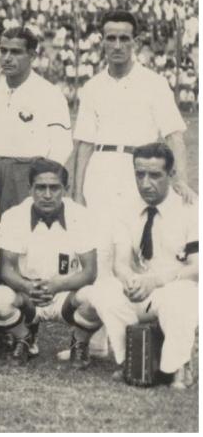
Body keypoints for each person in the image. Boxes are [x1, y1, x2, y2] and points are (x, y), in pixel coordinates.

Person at [85, 143, 198, 389]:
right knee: (104, 291)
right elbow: (121, 264)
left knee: (180, 296)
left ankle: (177, 367)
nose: (146, 183)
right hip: (142, 289)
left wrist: (156, 281)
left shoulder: (192, 207)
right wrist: (129, 280)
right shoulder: (124, 207)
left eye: (155, 175)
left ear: (171, 174)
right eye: (140, 174)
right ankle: (133, 359)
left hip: (177, 286)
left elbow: (197, 269)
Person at [72, 10, 193, 219]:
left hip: (139, 172)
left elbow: (174, 137)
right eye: (111, 38)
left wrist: (180, 180)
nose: (117, 45)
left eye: (124, 39)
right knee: (98, 245)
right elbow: (84, 145)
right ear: (102, 42)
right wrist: (77, 193)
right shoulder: (92, 86)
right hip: (99, 173)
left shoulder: (155, 83)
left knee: (133, 245)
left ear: (135, 42)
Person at [0, 158, 103, 369]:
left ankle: (79, 342)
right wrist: (28, 287)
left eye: (54, 188)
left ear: (66, 189)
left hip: (66, 293)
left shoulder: (82, 216)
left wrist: (56, 285)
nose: (48, 195)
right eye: (41, 188)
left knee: (97, 298)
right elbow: (6, 269)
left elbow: (90, 272)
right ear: (30, 188)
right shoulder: (13, 216)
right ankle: (25, 338)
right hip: (28, 293)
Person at [0, 27, 72, 215]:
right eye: (3, 51)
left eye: (15, 52)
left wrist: (42, 183)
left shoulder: (49, 94)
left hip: (28, 176)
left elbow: (62, 146)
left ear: (32, 56)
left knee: (25, 232)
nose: (7, 57)